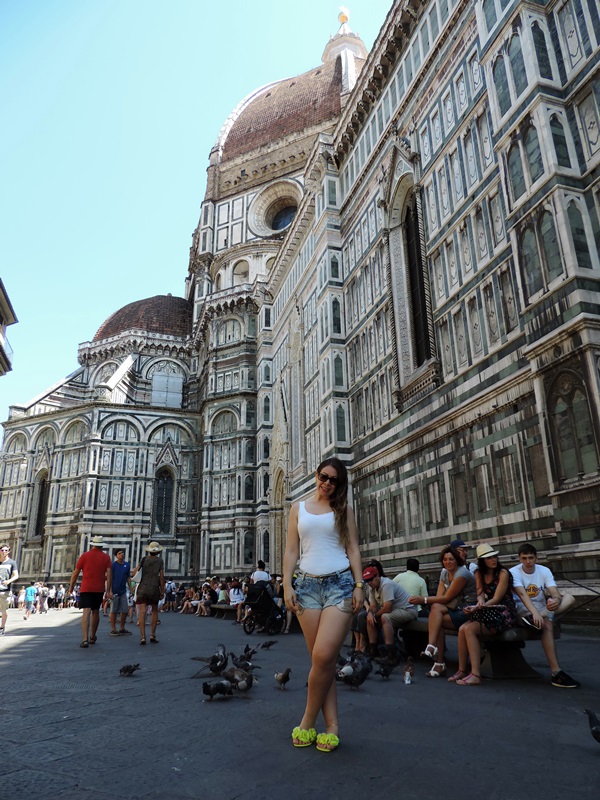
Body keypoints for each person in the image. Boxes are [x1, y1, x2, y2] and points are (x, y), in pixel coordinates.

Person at [283, 457, 364, 753]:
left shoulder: (343, 509)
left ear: (339, 484)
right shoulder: (298, 508)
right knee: (322, 663)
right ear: (316, 475)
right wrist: (287, 584)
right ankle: (332, 726)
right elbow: (291, 550)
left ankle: (307, 721)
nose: (327, 483)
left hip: (339, 585)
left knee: (324, 655)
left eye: (333, 480)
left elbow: (353, 548)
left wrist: (359, 585)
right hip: (306, 587)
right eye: (323, 477)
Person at [510, 543, 579, 688]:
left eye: (531, 558)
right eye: (524, 558)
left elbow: (554, 591)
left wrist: (555, 601)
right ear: (519, 559)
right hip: (523, 608)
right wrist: (535, 613)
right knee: (547, 624)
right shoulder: (514, 572)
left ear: (536, 558)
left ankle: (537, 618)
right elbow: (522, 595)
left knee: (569, 598)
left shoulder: (544, 570)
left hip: (542, 608)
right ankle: (556, 672)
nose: (528, 561)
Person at [451, 543, 517, 685]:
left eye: (494, 557)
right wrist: (479, 603)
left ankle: (475, 674)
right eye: (489, 558)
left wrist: (478, 607)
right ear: (482, 561)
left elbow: (497, 598)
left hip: (503, 612)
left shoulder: (503, 573)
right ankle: (462, 670)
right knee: (462, 629)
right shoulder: (479, 573)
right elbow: (480, 594)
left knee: (469, 629)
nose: (493, 560)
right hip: (488, 610)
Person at [409, 545, 477, 677]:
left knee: (436, 620)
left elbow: (446, 598)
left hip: (467, 610)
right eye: (445, 559)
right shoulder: (444, 573)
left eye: (451, 559)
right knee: (436, 611)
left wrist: (423, 600)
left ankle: (437, 658)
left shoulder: (462, 574)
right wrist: (431, 600)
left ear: (457, 560)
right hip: (453, 607)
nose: (448, 562)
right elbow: (439, 597)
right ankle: (434, 653)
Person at [363, 564, 417, 660]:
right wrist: (370, 614)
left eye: (371, 579)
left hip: (408, 610)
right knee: (370, 619)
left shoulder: (386, 584)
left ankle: (391, 654)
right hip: (396, 610)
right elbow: (373, 606)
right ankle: (373, 650)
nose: (369, 582)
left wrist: (374, 615)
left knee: (385, 617)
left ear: (377, 576)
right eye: (367, 580)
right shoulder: (372, 588)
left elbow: (388, 608)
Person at [68, 536, 112, 648]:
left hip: (86, 588)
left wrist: (71, 586)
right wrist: (108, 590)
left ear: (93, 545)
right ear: (101, 546)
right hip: (99, 588)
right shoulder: (106, 557)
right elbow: (109, 575)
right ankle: (92, 636)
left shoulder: (85, 556)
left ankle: (84, 639)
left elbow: (76, 572)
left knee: (86, 611)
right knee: (96, 611)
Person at [131, 542, 165, 645]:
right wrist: (162, 590)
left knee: (142, 611)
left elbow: (134, 573)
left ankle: (142, 637)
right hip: (154, 588)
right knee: (154, 611)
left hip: (143, 588)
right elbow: (161, 577)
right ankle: (152, 635)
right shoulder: (160, 561)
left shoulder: (144, 559)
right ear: (158, 551)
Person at [109, 549, 132, 636]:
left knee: (125, 610)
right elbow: (110, 578)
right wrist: (109, 591)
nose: (122, 554)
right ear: (116, 556)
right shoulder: (113, 565)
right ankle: (113, 628)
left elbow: (128, 577)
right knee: (114, 610)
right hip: (114, 591)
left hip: (123, 591)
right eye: (119, 553)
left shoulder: (127, 565)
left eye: (122, 553)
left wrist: (131, 588)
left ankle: (122, 628)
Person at [0, 544, 19, 634]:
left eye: (6, 550)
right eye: (2, 550)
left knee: (4, 611)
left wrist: (9, 581)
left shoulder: (12, 562)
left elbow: (16, 575)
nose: (4, 552)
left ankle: (2, 627)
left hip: (5, 591)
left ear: (9, 552)